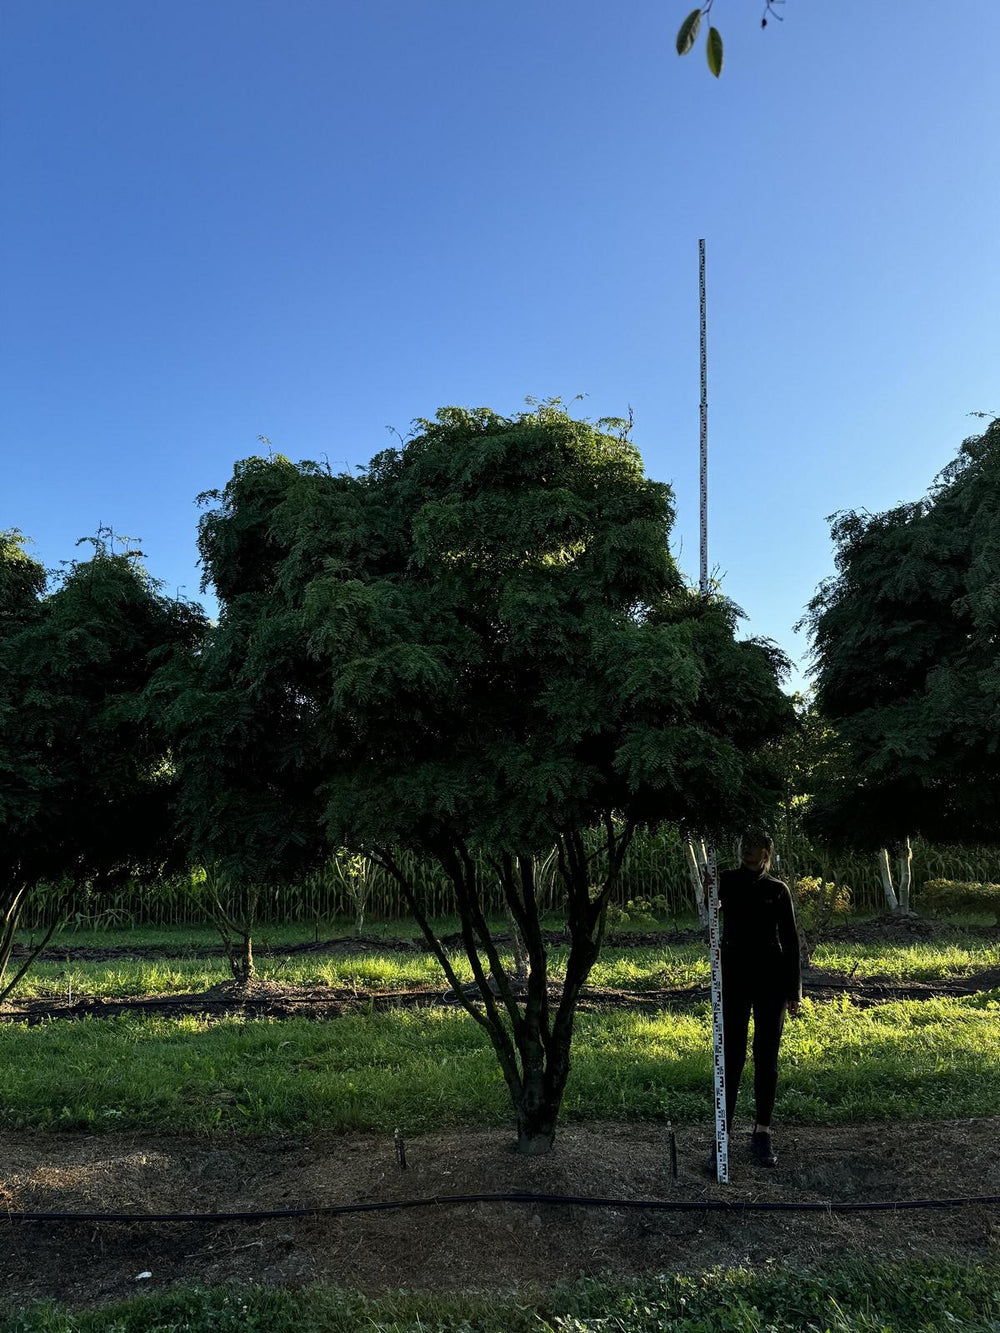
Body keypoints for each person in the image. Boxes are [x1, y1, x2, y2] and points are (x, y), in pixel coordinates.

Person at [712, 832, 802, 1170]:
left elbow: (790, 940)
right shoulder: (725, 881)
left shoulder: (777, 889)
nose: (748, 852)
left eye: (755, 847)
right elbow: (708, 910)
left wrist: (794, 990)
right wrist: (708, 891)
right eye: (743, 846)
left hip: (771, 978)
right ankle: (723, 1133)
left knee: (767, 1055)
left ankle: (762, 1131)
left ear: (767, 852)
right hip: (734, 976)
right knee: (731, 1055)